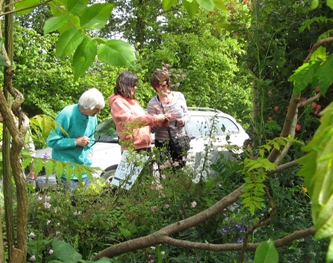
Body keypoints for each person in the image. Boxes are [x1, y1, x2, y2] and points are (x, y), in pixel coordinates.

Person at [46, 88, 105, 191]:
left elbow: (90, 139)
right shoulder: (67, 114)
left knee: (86, 203)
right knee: (68, 204)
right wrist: (75, 142)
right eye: (97, 108)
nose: (99, 112)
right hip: (66, 170)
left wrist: (90, 152)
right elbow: (51, 141)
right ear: (87, 107)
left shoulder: (93, 117)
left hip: (84, 169)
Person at [108, 71, 170, 153]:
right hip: (133, 148)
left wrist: (161, 121)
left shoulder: (133, 102)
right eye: (133, 85)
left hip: (145, 145)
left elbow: (145, 120)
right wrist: (156, 118)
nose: (135, 88)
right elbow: (131, 122)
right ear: (125, 86)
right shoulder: (118, 103)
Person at [147, 69, 190, 166]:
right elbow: (151, 128)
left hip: (179, 141)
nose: (161, 88)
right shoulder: (153, 103)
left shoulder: (179, 96)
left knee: (180, 172)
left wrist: (183, 121)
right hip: (163, 144)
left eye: (163, 85)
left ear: (168, 83)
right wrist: (162, 121)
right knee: (165, 174)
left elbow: (187, 115)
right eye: (157, 86)